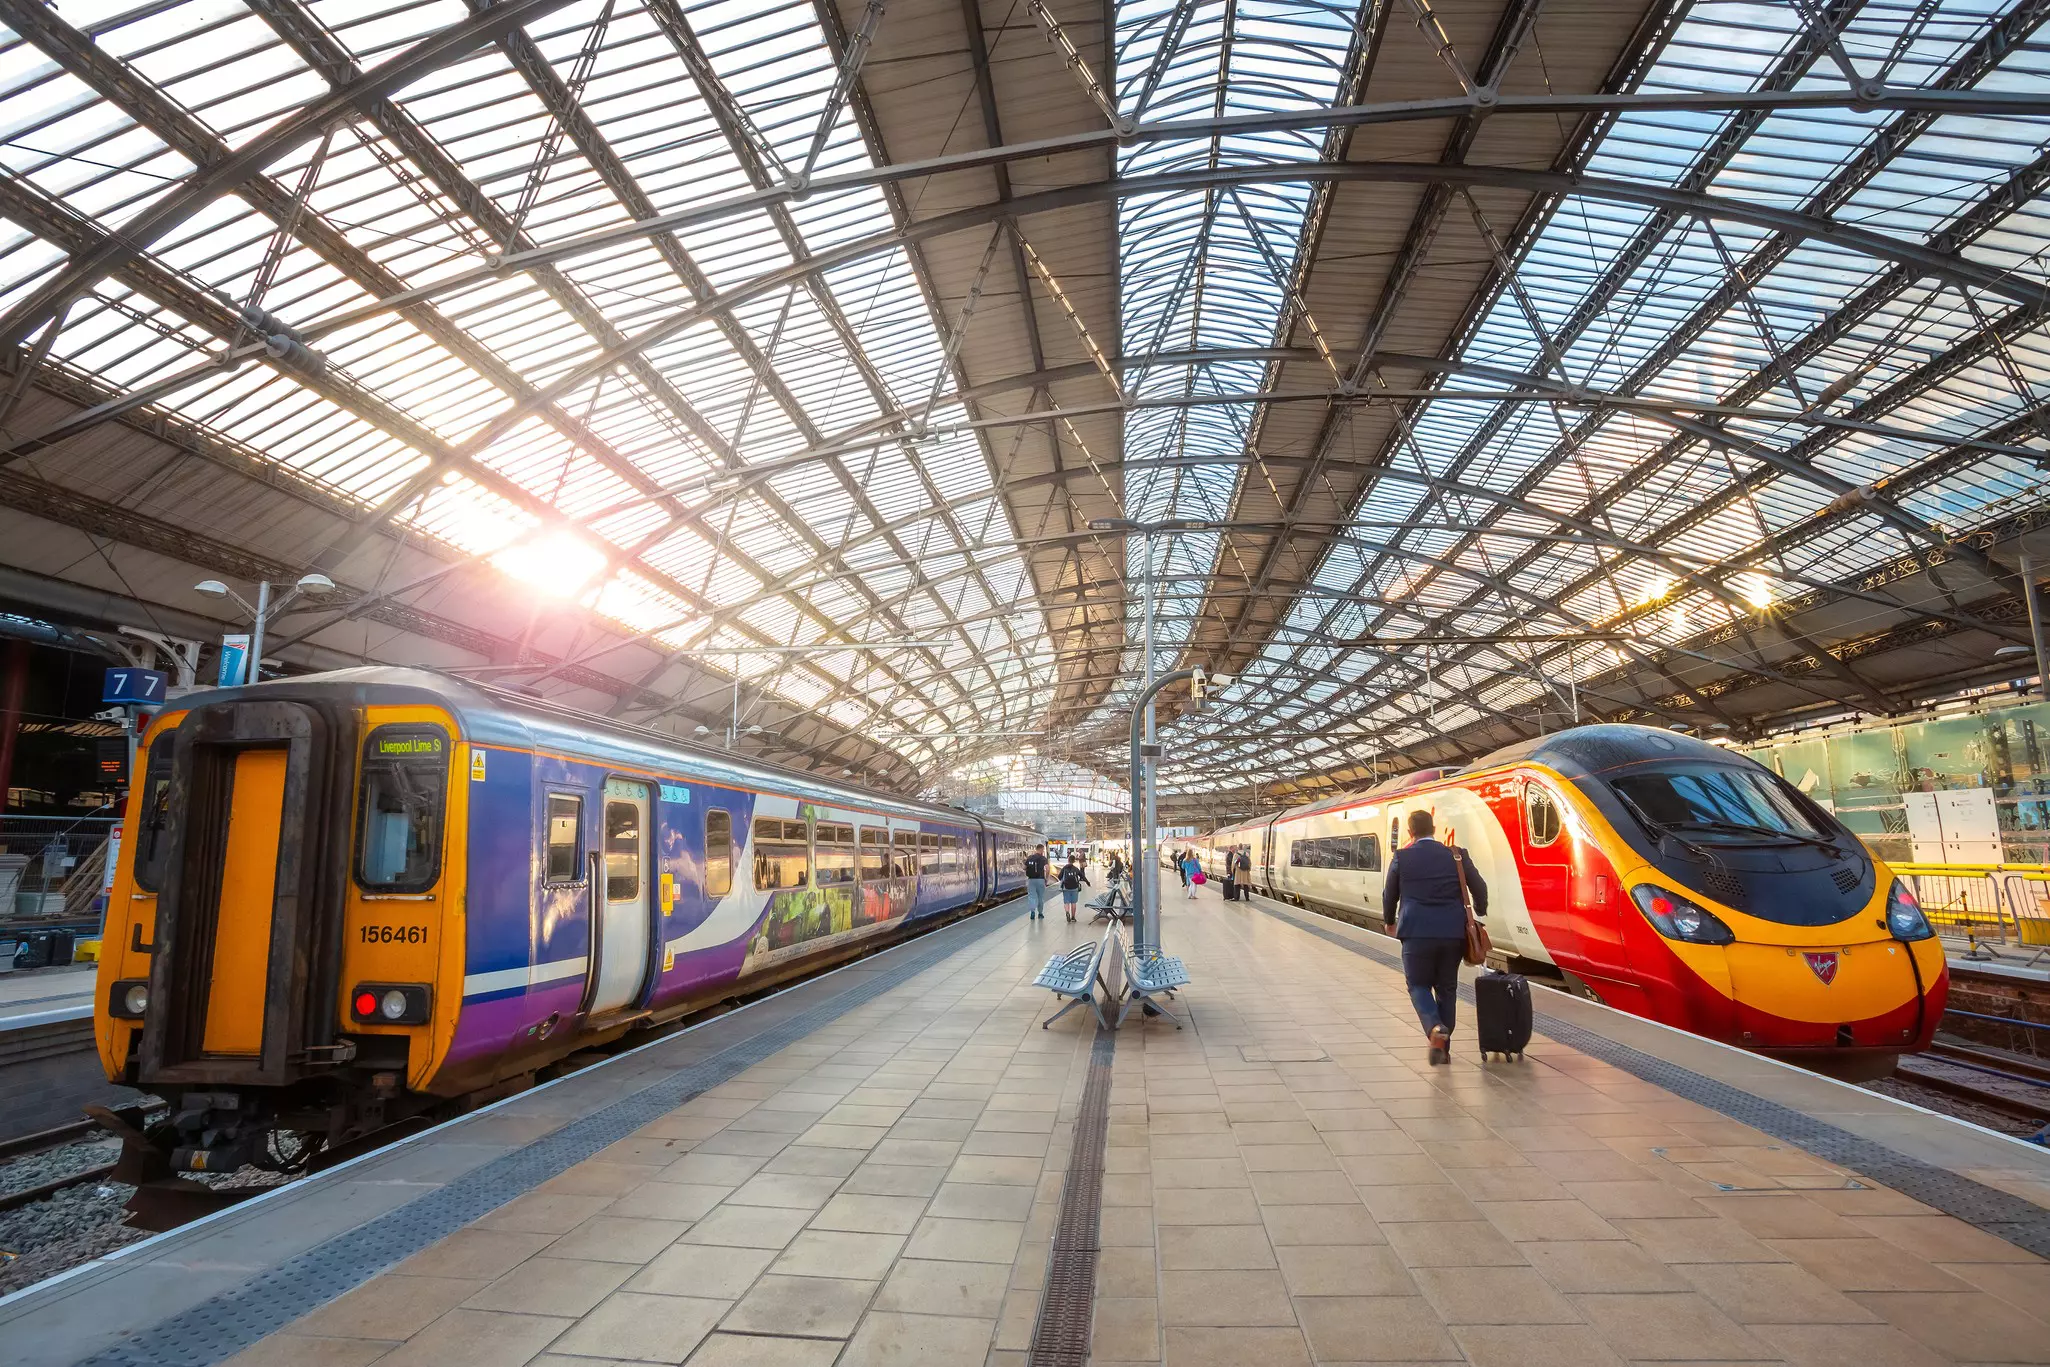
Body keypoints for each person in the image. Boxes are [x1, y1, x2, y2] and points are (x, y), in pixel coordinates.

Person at [1382, 809, 1488, 1066]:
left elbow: (1389, 894)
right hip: (1453, 934)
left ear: (1410, 832)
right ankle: (1444, 1049)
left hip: (1416, 933)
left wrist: (1389, 922)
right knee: (1447, 988)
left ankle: (1435, 1028)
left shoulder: (1402, 856)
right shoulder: (1457, 855)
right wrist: (1480, 911)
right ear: (1434, 829)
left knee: (1418, 985)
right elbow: (1479, 887)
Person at [1057, 856, 1090, 923]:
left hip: (1066, 887)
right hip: (1075, 887)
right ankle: (1073, 917)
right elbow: (1082, 876)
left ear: (1068, 860)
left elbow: (1059, 877)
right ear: (1074, 861)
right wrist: (1087, 882)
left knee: (1066, 902)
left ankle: (1067, 912)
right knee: (1073, 902)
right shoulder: (1075, 869)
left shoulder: (1064, 868)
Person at [1023, 843, 1050, 921]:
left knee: (1031, 897)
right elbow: (1047, 869)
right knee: (1040, 897)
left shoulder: (1030, 858)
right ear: (1041, 849)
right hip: (1041, 880)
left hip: (1031, 880)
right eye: (1043, 850)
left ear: (1036, 849)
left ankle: (1032, 911)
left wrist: (1023, 863)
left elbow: (1024, 868)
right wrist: (1046, 878)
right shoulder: (1043, 858)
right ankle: (1040, 913)